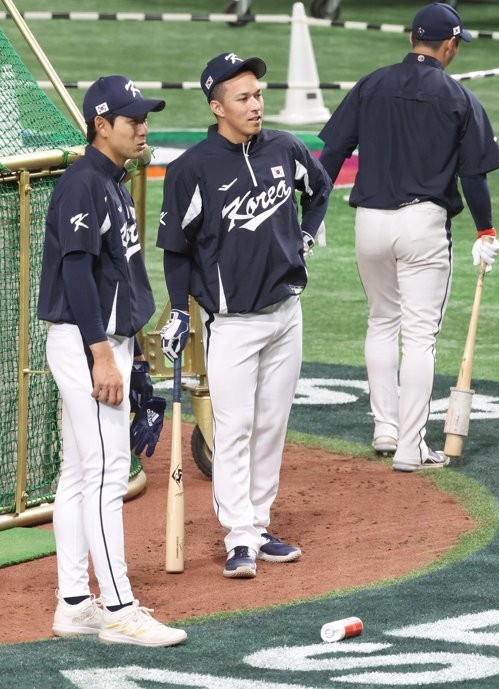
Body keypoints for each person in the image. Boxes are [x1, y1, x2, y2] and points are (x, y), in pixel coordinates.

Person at [157, 52, 333, 578]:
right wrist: (180, 311)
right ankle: (239, 538)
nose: (256, 105)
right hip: (231, 323)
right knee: (234, 428)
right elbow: (176, 247)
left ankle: (258, 524)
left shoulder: (284, 147)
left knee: (272, 426)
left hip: (286, 313)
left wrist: (303, 237)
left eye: (258, 94)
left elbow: (318, 190)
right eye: (243, 98)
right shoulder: (193, 169)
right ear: (217, 107)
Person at [317, 2, 499, 472]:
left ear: (410, 39)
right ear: (451, 45)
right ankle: (410, 447)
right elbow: (474, 177)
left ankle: (385, 428)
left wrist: (313, 210)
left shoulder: (371, 83)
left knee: (381, 322)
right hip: (422, 225)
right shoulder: (458, 96)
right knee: (419, 336)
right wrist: (485, 229)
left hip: (369, 224)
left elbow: (333, 151)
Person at [37, 76, 186, 647]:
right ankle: (121, 610)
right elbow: (75, 271)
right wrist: (102, 353)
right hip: (85, 343)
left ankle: (75, 603)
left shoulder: (112, 180)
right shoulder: (82, 184)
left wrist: (130, 347)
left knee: (79, 475)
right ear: (102, 125)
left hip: (100, 341)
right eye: (133, 120)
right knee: (104, 476)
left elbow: (114, 273)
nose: (143, 126)